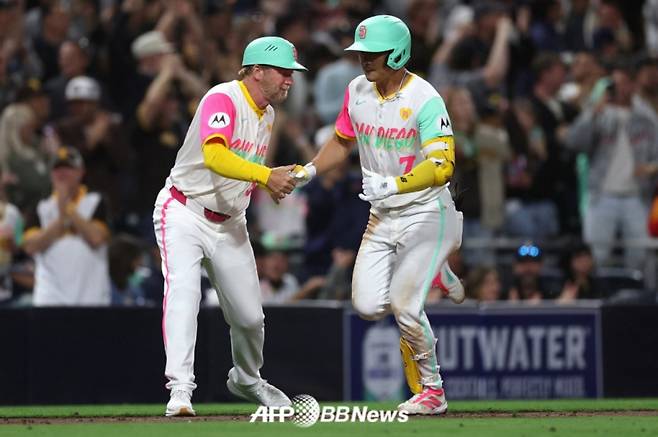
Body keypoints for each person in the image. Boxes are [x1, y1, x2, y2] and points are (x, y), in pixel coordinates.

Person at [294, 15, 464, 415]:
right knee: (368, 307)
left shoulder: (425, 98)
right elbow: (341, 140)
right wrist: (311, 170)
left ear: (399, 52)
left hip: (427, 211)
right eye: (361, 53)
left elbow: (443, 165)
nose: (364, 60)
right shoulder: (357, 91)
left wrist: (396, 183)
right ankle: (434, 270)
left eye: (373, 54)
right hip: (383, 216)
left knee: (406, 306)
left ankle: (433, 390)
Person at [153, 36, 305, 417]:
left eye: (291, 73)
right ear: (256, 71)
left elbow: (241, 168)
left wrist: (264, 183)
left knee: (251, 318)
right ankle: (181, 389)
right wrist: (265, 175)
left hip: (230, 221)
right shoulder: (223, 97)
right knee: (184, 293)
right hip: (184, 210)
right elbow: (215, 154)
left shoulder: (268, 113)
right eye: (283, 72)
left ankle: (247, 378)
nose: (290, 80)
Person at [22, 146, 111, 306]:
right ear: (51, 175)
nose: (62, 173)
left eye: (68, 168)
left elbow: (96, 238)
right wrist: (63, 219)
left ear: (81, 172)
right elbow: (31, 246)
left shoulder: (96, 201)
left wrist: (67, 208)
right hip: (50, 299)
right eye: (57, 169)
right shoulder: (39, 207)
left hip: (91, 299)